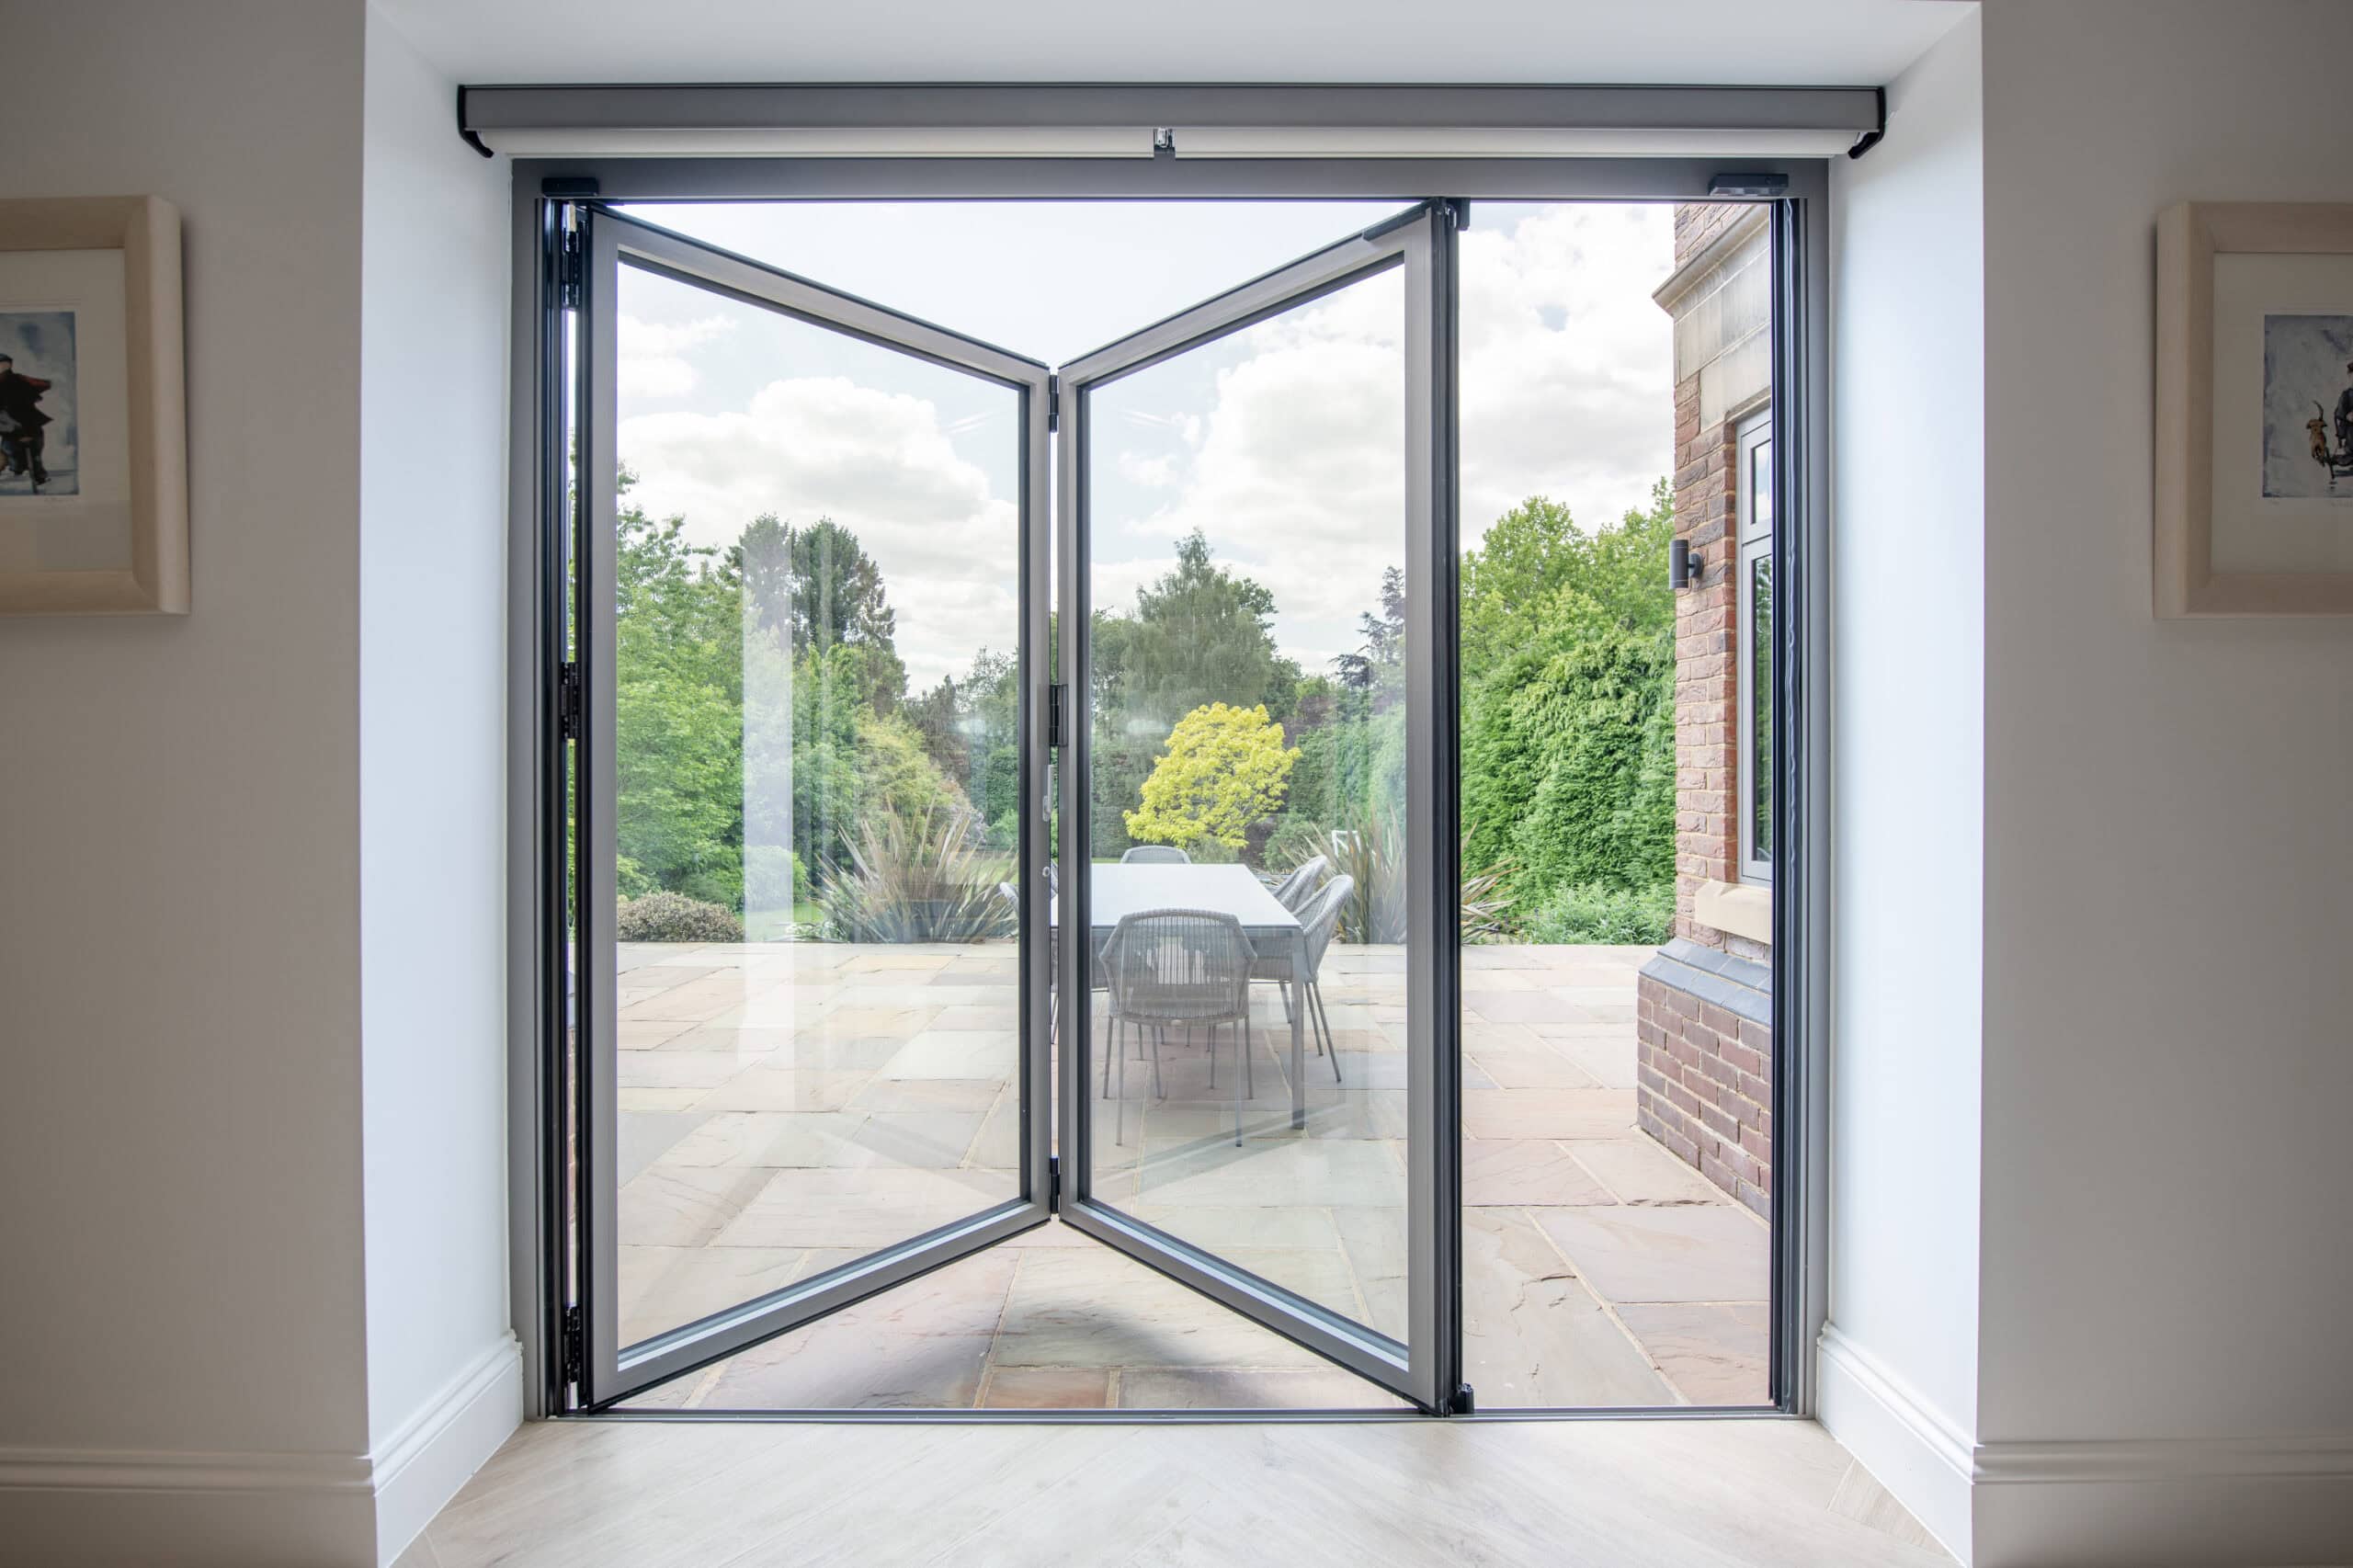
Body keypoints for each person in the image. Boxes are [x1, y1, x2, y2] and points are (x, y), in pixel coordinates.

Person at [0, 352, 53, 487]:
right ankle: (18, 470)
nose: (2, 368)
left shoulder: (19, 379)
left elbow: (44, 384)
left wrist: (47, 384)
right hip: (8, 423)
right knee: (11, 449)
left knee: (34, 449)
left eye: (5, 365)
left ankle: (38, 476)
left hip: (28, 420)